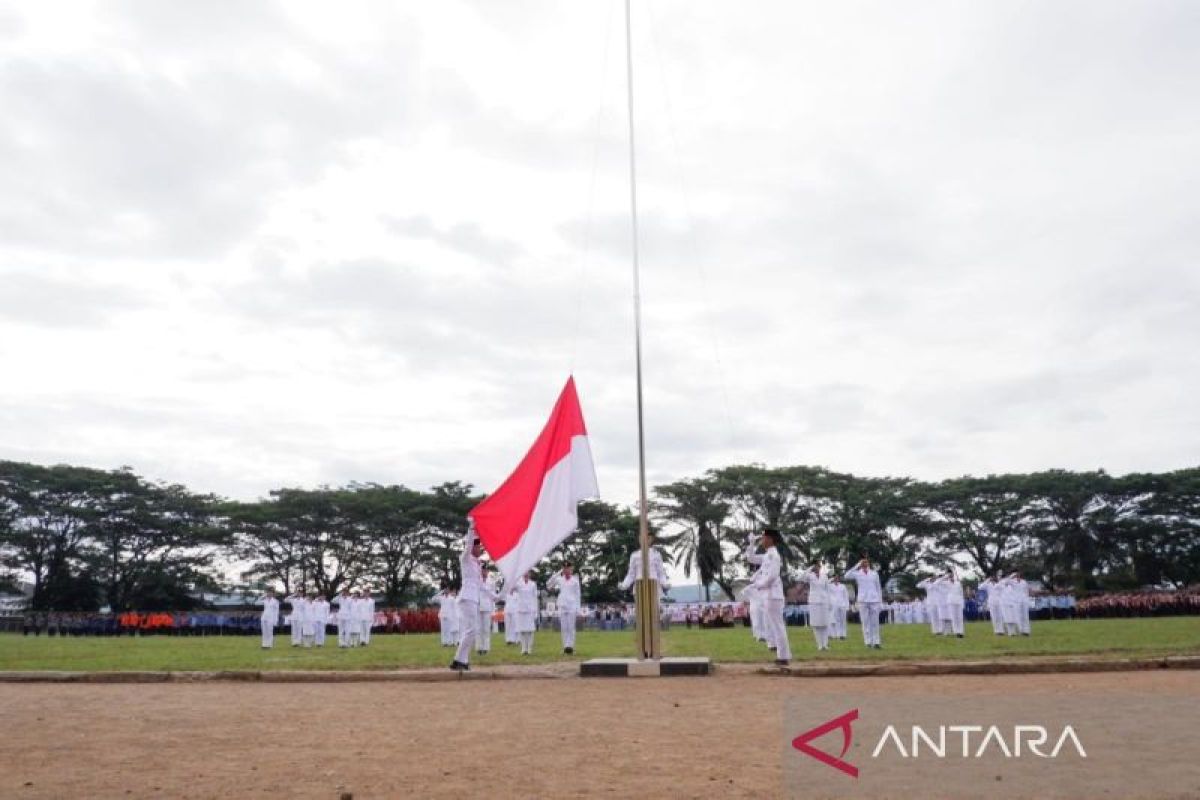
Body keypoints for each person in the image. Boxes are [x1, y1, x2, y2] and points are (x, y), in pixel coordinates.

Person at [745, 528, 790, 666]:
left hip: (773, 595)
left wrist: (758, 585)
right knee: (774, 625)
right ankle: (782, 655)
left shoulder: (774, 556)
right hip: (769, 595)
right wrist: (751, 544)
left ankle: (783, 656)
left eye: (763, 538)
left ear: (770, 539)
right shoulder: (767, 556)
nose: (761, 540)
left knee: (777, 626)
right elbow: (750, 558)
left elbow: (772, 576)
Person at [450, 527, 484, 671]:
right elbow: (468, 545)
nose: (480, 549)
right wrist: (472, 528)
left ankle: (462, 660)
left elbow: (481, 585)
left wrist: (498, 595)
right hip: (467, 597)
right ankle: (458, 660)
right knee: (472, 630)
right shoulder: (465, 558)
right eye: (478, 546)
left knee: (470, 631)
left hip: (473, 599)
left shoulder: (477, 564)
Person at [844, 557, 884, 648]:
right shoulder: (858, 573)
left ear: (868, 563)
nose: (865, 564)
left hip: (874, 600)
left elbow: (878, 588)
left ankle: (876, 642)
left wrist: (880, 602)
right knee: (865, 622)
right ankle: (868, 642)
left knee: (875, 622)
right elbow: (846, 575)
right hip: (862, 600)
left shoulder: (874, 574)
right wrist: (857, 565)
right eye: (863, 563)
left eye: (866, 562)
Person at [547, 564, 582, 655]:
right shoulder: (560, 579)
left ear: (571, 570)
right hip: (562, 605)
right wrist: (557, 573)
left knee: (571, 627)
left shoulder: (575, 581)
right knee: (564, 627)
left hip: (572, 605)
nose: (567, 570)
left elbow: (578, 595)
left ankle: (571, 647)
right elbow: (548, 585)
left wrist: (578, 609)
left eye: (568, 569)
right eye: (565, 569)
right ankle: (565, 646)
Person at [802, 561, 832, 652]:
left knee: (825, 623)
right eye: (816, 566)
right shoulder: (810, 576)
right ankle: (819, 645)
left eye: (818, 566)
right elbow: (802, 577)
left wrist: (829, 602)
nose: (817, 567)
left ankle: (825, 645)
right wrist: (809, 568)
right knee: (816, 624)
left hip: (824, 601)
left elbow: (828, 590)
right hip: (814, 602)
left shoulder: (824, 576)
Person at [511, 571, 539, 656]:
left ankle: (529, 648)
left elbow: (535, 598)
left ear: (530, 574)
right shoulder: (519, 583)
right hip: (521, 609)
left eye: (528, 573)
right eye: (525, 572)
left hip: (530, 609)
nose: (526, 574)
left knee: (530, 630)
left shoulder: (533, 584)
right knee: (522, 630)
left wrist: (536, 611)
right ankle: (523, 648)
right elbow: (511, 587)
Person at [477, 566, 501, 655]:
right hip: (478, 606)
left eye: (486, 571)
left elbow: (493, 596)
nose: (484, 572)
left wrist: (493, 609)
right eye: (483, 570)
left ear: (487, 571)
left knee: (486, 628)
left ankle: (486, 648)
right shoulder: (477, 580)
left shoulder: (491, 582)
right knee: (478, 628)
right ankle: (479, 647)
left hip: (487, 606)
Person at [944, 569, 965, 637]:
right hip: (951, 602)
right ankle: (956, 632)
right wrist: (945, 577)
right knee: (954, 617)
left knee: (960, 617)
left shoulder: (958, 583)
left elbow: (961, 593)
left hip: (958, 601)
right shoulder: (946, 583)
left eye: (952, 575)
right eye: (950, 575)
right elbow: (936, 583)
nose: (951, 576)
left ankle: (961, 631)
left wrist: (962, 603)